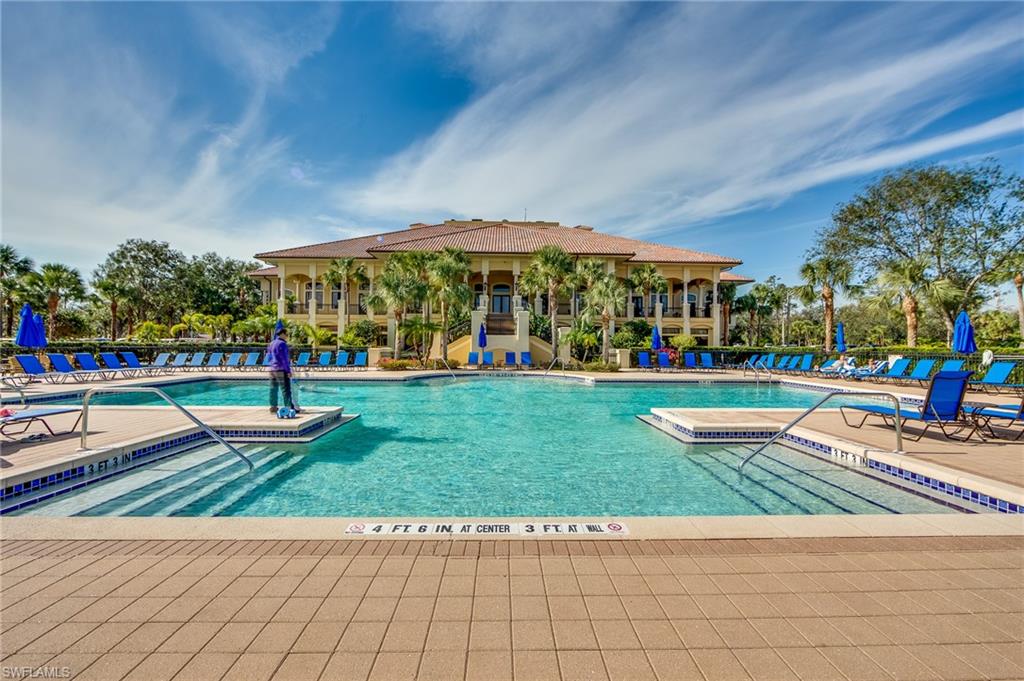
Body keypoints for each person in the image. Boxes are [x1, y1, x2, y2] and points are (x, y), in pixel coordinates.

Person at [267, 322, 298, 414]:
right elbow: (285, 359)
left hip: (272, 369)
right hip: (281, 370)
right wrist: (288, 371)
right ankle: (289, 408)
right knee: (286, 390)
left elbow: (269, 357)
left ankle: (273, 407)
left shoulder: (271, 344)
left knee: (273, 389)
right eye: (286, 334)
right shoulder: (282, 344)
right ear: (283, 334)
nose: (287, 336)